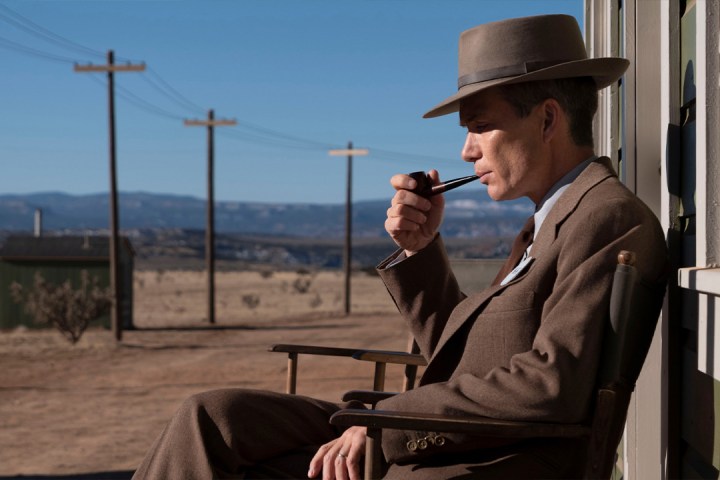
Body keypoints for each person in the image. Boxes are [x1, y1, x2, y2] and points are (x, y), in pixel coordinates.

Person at [132, 14, 669, 480]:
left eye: (481, 127)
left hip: (487, 460)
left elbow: (551, 386)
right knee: (214, 416)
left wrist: (384, 426)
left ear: (548, 118)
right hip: (443, 429)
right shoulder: (548, 220)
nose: (465, 151)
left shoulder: (605, 218)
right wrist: (420, 250)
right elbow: (462, 352)